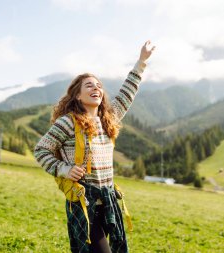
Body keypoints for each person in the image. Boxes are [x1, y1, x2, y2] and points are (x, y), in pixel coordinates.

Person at [34, 41, 155, 253]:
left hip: (107, 201)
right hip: (83, 202)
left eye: (99, 85)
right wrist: (65, 169)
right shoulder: (68, 122)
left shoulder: (109, 118)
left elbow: (128, 91)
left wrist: (141, 61)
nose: (96, 88)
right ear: (78, 96)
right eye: (89, 85)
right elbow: (41, 150)